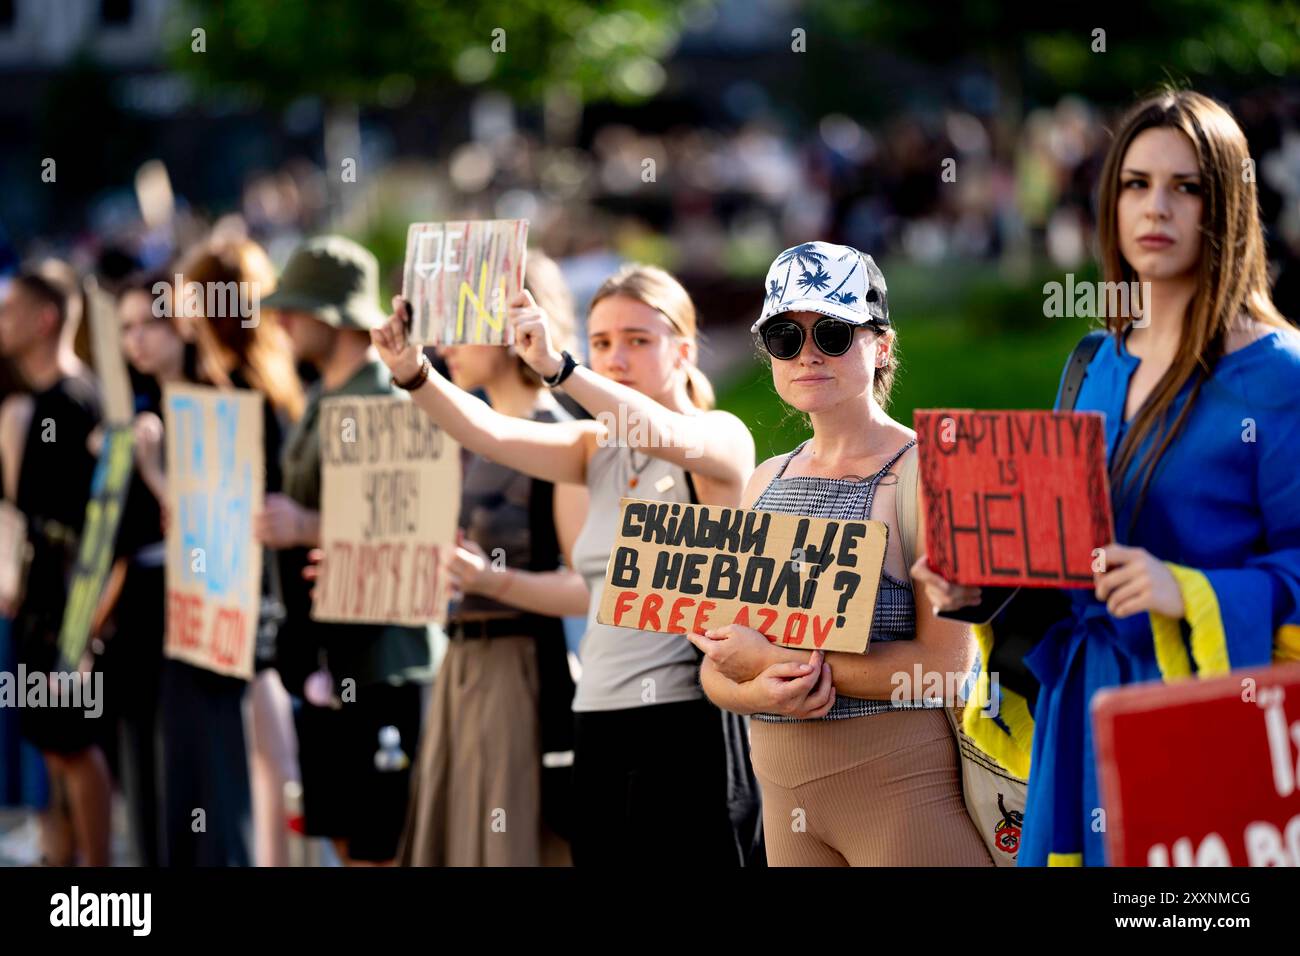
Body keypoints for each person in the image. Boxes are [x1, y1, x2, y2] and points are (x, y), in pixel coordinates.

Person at [915, 89, 1300, 866]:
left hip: (1207, 717)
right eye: (1135, 183)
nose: (1156, 207)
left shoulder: (1281, 376)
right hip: (1082, 713)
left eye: (1185, 187)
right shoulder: (1092, 363)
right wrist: (980, 589)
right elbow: (1069, 554)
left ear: (1226, 204)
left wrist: (1185, 590)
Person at [372, 262, 753, 866]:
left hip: (683, 723)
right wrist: (413, 372)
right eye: (601, 343)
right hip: (596, 721)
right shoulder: (594, 449)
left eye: (637, 340)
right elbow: (488, 432)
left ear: (683, 352)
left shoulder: (718, 436)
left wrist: (562, 369)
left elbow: (653, 427)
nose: (615, 358)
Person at [687, 242, 992, 866]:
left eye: (831, 332)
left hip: (901, 806)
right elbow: (718, 671)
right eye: (784, 336)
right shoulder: (765, 479)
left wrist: (778, 660)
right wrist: (759, 689)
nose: (807, 355)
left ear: (880, 345)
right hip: (784, 811)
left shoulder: (929, 471)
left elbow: (946, 671)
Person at [398, 251, 589, 867]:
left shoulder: (559, 433)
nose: (444, 340)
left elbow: (592, 589)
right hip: (459, 666)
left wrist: (493, 580)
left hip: (519, 672)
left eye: (459, 319)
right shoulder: (458, 435)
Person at [257, 235, 435, 866]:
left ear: (332, 315)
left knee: (379, 843)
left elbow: (412, 526)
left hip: (380, 656)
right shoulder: (324, 395)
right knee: (344, 833)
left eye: (295, 308)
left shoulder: (384, 397)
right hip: (330, 651)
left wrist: (308, 525)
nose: (280, 321)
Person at [115, 273, 255, 867]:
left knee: (204, 786)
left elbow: (214, 533)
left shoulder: (223, 405)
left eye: (148, 323)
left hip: (205, 623)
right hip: (143, 624)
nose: (136, 341)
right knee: (152, 787)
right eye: (125, 329)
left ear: (183, 325)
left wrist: (152, 469)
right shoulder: (140, 411)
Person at [178, 236, 304, 867]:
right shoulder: (273, 375)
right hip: (267, 577)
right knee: (268, 733)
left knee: (261, 734)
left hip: (248, 579)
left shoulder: (229, 387)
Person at [0, 266, 109, 866]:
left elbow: (93, 530)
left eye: (11, 308)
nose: (2, 320)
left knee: (76, 746)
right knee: (51, 745)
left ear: (46, 320)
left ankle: (98, 879)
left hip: (70, 612)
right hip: (38, 605)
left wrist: (82, 631)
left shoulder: (74, 402)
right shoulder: (40, 401)